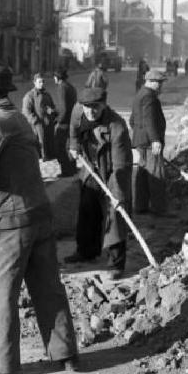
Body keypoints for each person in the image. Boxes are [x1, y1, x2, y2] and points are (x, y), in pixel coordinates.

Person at [0, 58, 78, 374]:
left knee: (2, 297)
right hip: (40, 213)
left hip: (11, 223)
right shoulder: (19, 117)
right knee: (48, 288)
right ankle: (65, 354)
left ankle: (4, 365)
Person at [64, 87, 133, 279]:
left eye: (95, 107)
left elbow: (121, 165)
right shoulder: (78, 111)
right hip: (91, 167)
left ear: (104, 105)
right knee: (87, 206)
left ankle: (116, 263)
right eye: (87, 107)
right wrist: (73, 146)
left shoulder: (117, 126)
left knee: (115, 214)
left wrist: (118, 194)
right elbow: (73, 131)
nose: (90, 111)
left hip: (113, 170)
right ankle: (86, 251)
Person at [130, 69, 167, 215]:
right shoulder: (149, 97)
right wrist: (155, 140)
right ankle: (159, 209)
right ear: (150, 82)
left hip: (141, 142)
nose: (161, 87)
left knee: (142, 174)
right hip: (150, 144)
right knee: (156, 174)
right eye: (159, 83)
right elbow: (149, 120)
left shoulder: (139, 95)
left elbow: (132, 120)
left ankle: (140, 206)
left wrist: (140, 135)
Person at [22, 73, 57, 161]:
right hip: (38, 125)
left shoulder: (47, 94)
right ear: (34, 82)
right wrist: (35, 121)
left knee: (49, 141)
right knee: (40, 142)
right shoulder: (30, 95)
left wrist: (52, 111)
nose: (42, 83)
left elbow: (52, 106)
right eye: (39, 82)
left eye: (43, 81)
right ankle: (42, 156)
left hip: (48, 123)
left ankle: (50, 154)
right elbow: (26, 111)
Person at [53, 67, 77, 177]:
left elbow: (64, 109)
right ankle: (72, 169)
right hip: (72, 121)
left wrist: (58, 121)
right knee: (69, 146)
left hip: (64, 123)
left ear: (57, 78)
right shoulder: (70, 86)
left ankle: (66, 171)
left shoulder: (61, 87)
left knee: (61, 148)